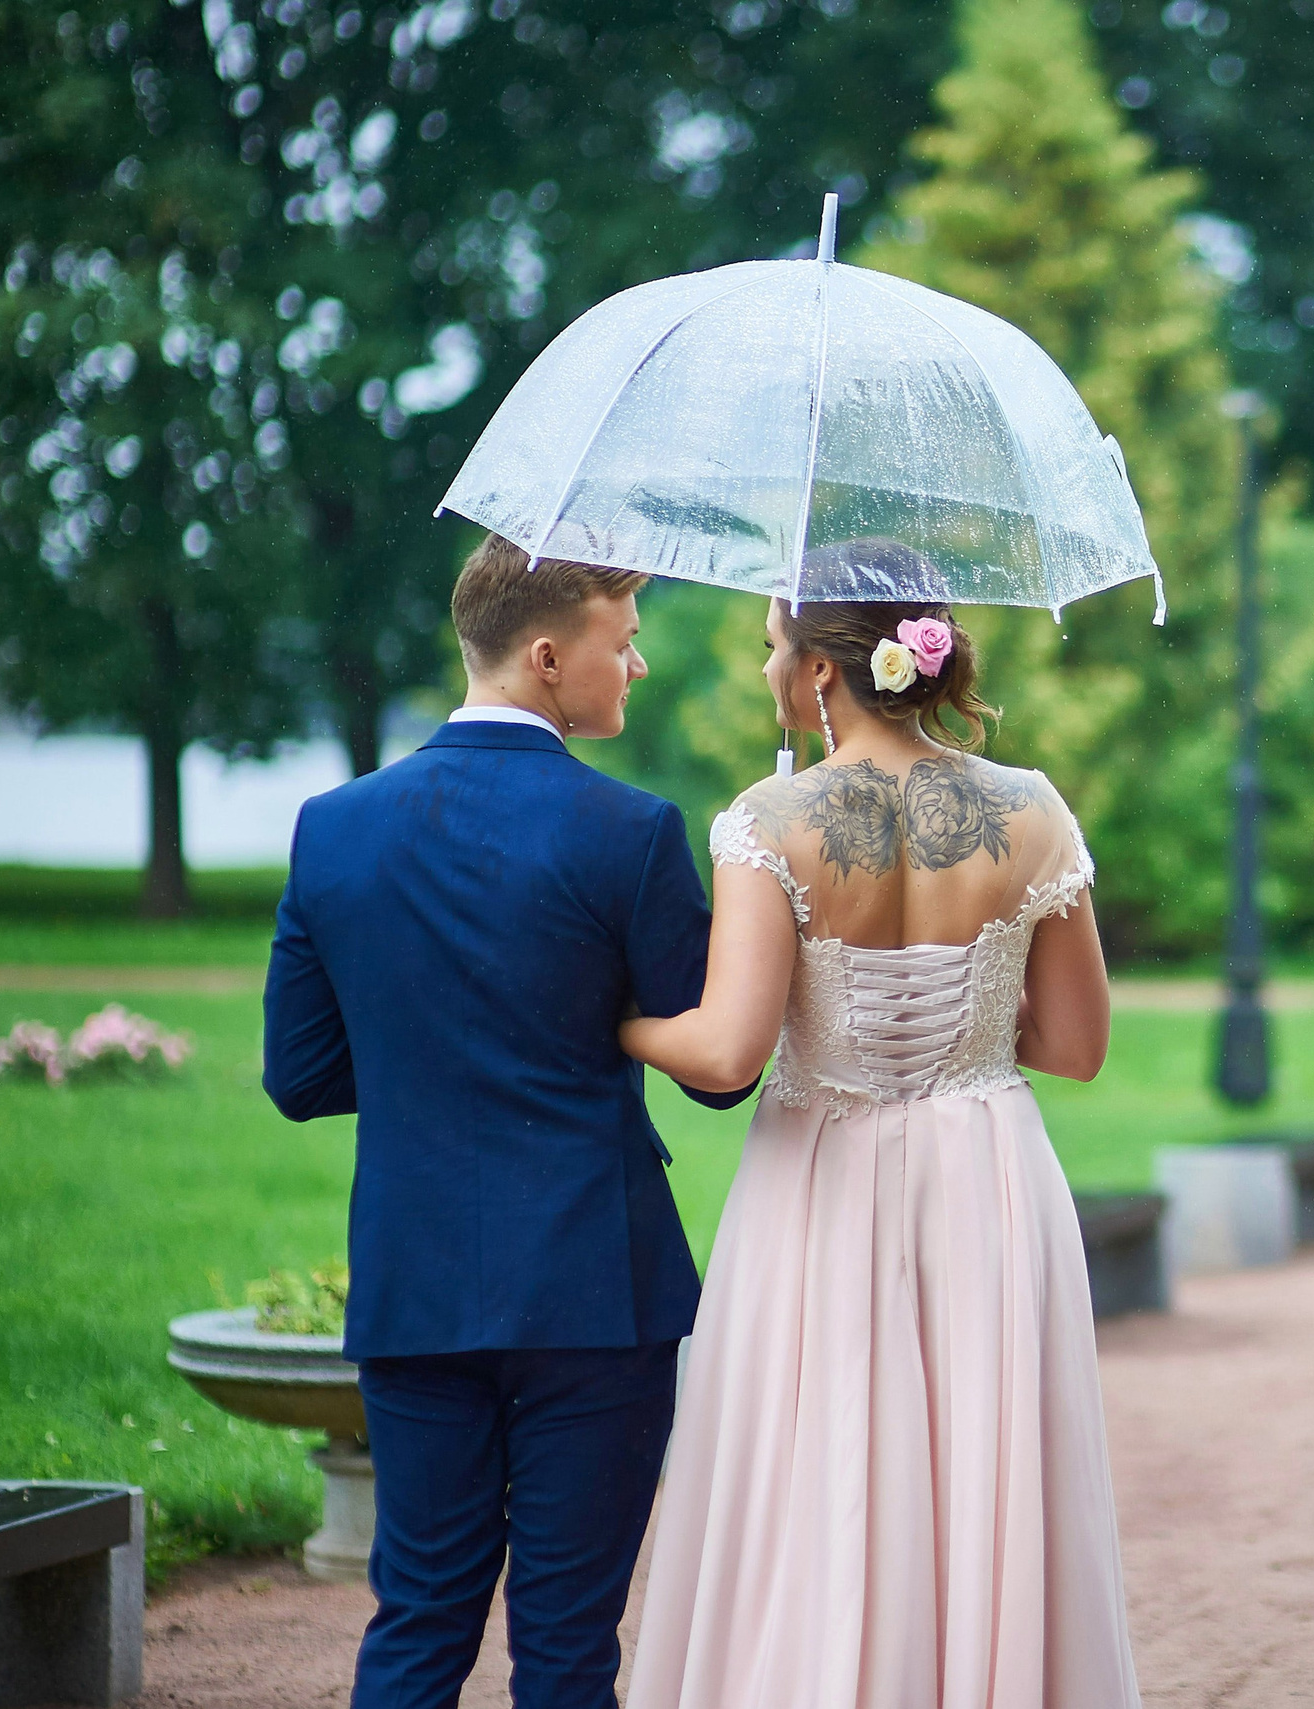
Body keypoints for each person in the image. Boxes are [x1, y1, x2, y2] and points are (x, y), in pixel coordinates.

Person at [622, 563, 1142, 1709]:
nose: (768, 664)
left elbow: (727, 1051)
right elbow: (1075, 1045)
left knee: (819, 1462)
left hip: (821, 1177)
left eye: (773, 644)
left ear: (820, 671)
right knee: (982, 1456)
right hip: (987, 1174)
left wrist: (618, 1023)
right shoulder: (1032, 809)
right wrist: (971, 1019)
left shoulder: (769, 823)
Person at [261, 536, 756, 1709]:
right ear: (545, 656)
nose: (635, 665)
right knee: (570, 1638)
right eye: (622, 642)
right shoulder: (632, 831)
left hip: (417, 1279)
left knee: (419, 1611)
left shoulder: (334, 826)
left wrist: (429, 1060)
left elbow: (301, 1073)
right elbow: (719, 1073)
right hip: (597, 1287)